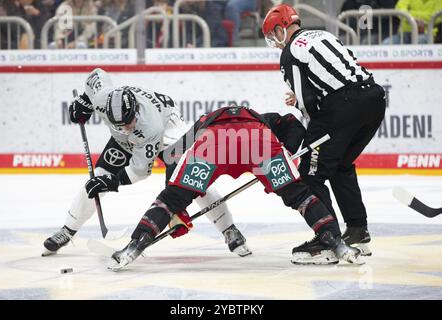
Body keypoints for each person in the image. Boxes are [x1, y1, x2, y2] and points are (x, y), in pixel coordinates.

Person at [103, 105, 363, 271]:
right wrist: (288, 153)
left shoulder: (202, 123)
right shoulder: (264, 118)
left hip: (212, 143)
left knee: (170, 198)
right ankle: (335, 242)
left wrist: (176, 212)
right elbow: (292, 124)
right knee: (299, 194)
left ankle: (133, 247)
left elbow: (173, 163)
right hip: (257, 139)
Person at [42, 68, 251, 258]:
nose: (126, 128)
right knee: (96, 180)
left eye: (129, 122)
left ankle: (229, 229)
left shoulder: (151, 127)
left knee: (192, 179)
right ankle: (67, 230)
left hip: (170, 132)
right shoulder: (102, 98)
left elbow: (140, 171)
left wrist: (112, 182)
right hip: (127, 142)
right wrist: (85, 100)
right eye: (119, 125)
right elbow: (96, 74)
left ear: (136, 111)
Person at [261, 4, 386, 260]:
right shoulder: (324, 34)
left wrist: (308, 135)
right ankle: (357, 231)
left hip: (342, 107)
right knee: (341, 164)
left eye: (272, 36)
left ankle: (329, 239)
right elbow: (341, 72)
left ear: (279, 28)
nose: (273, 42)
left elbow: (309, 104)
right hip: (374, 99)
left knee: (309, 173)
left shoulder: (290, 53)